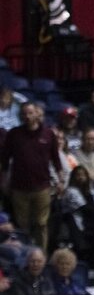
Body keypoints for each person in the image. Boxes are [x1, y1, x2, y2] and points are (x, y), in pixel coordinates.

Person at [0, 102, 63, 251]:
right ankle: (25, 255)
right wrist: (3, 181)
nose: (27, 116)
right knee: (23, 225)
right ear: (20, 116)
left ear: (37, 114)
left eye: (30, 113)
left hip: (42, 186)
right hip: (19, 187)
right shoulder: (13, 134)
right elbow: (5, 160)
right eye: (24, 114)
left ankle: (41, 255)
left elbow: (56, 159)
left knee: (41, 224)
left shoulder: (49, 134)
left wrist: (60, 180)